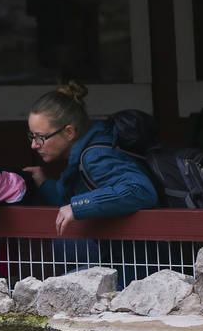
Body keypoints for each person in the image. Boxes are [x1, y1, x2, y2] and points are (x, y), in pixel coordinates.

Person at [23, 80, 158, 237]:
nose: (34, 145)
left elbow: (140, 190)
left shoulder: (95, 157)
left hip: (141, 256)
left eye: (40, 137)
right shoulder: (82, 152)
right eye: (32, 136)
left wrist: (78, 207)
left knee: (65, 245)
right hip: (124, 253)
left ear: (69, 132)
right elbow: (64, 198)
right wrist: (42, 180)